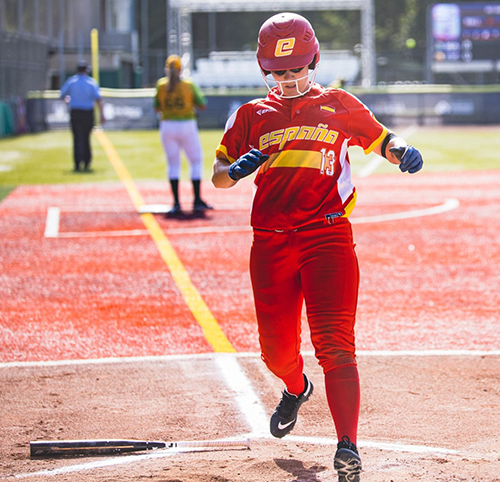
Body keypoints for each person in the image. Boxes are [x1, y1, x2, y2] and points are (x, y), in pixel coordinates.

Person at [211, 12, 423, 482]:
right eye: (278, 72)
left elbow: (383, 139)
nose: (288, 79)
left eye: (297, 69)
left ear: (314, 61)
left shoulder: (339, 104)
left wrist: (403, 152)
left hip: (327, 236)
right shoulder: (249, 115)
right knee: (276, 352)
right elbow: (218, 176)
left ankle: (348, 444)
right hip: (269, 243)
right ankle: (295, 386)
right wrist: (239, 169)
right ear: (265, 70)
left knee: (335, 344)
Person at [154, 54, 211, 215]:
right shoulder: (188, 84)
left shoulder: (161, 85)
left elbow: (156, 108)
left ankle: (177, 203)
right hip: (187, 124)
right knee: (195, 161)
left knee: (173, 164)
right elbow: (202, 105)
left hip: (167, 125)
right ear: (181, 70)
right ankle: (197, 200)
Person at [59, 61, 104, 172]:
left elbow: (62, 95)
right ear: (86, 70)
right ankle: (87, 162)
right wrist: (102, 114)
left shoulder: (71, 81)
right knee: (86, 138)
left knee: (77, 138)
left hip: (75, 112)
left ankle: (77, 163)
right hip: (87, 113)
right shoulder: (91, 82)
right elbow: (99, 99)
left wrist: (68, 101)